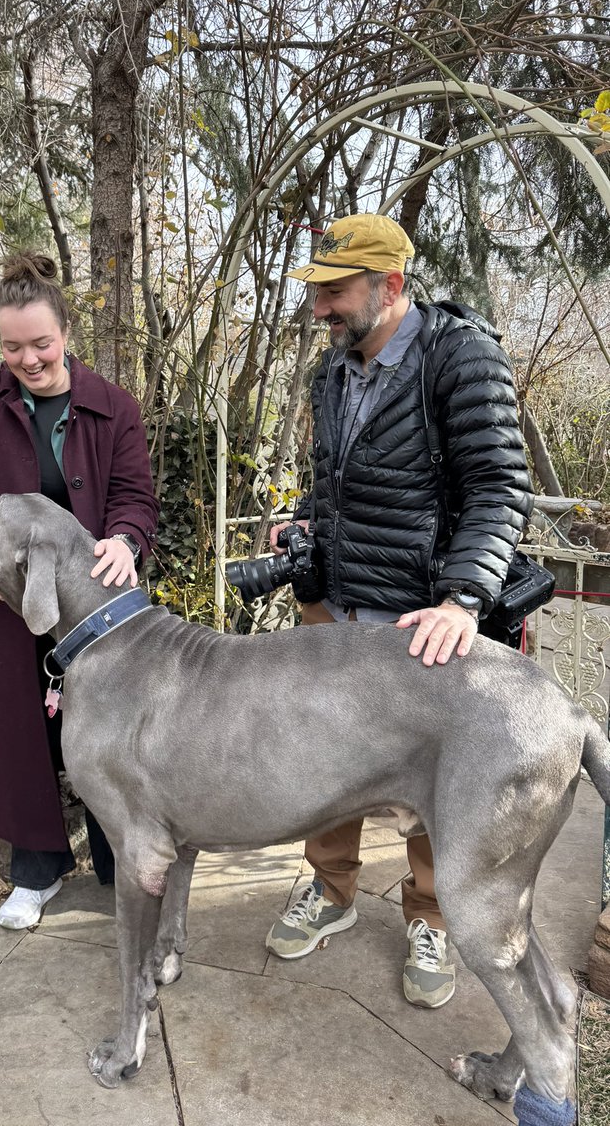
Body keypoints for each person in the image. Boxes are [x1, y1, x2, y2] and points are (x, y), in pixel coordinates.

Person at [262, 213, 534, 1008]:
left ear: (391, 286)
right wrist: (307, 520)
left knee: (432, 782)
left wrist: (462, 600)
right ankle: (331, 888)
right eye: (317, 294)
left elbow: (498, 488)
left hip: (421, 618)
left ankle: (431, 916)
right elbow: (338, 481)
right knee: (323, 759)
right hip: (334, 612)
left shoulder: (462, 356)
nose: (320, 311)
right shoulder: (332, 372)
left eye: (335, 293)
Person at [0, 253, 159, 929]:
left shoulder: (113, 407)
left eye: (41, 344)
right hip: (6, 603)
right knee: (18, 730)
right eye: (12, 346)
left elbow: (136, 499)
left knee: (109, 730)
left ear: (66, 334)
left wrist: (124, 540)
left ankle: (119, 866)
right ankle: (36, 868)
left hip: (94, 607)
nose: (27, 359)